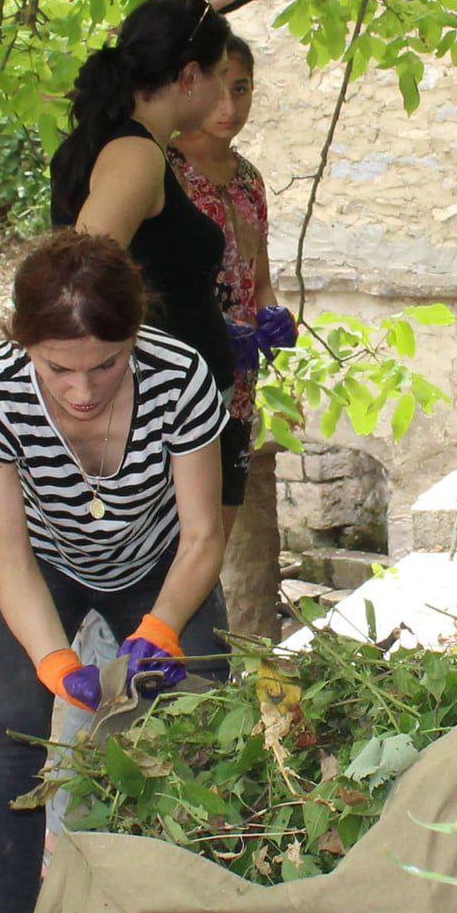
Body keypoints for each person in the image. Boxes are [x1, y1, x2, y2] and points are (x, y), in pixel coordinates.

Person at [0, 230, 230, 913]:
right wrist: (54, 661)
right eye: (56, 369)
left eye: (104, 366)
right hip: (36, 561)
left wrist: (160, 629)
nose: (80, 389)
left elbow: (204, 535)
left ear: (133, 338)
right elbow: (8, 555)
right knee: (10, 727)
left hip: (159, 557)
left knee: (202, 710)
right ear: (23, 347)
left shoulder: (180, 378)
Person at [50, 0, 252, 511]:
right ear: (189, 77)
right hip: (158, 418)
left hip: (171, 408)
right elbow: (78, 282)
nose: (222, 95)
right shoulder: (136, 155)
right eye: (218, 76)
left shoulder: (126, 144)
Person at [168, 32, 296, 535]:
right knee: (180, 526)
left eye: (240, 90)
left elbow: (257, 277)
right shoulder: (164, 169)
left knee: (220, 522)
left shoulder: (249, 180)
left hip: (239, 381)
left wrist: (274, 317)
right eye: (218, 91)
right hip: (180, 374)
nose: (228, 107)